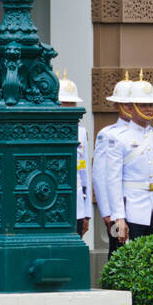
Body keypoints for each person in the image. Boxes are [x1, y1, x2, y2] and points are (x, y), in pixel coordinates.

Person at [108, 74, 153, 245]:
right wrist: (118, 217)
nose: (149, 108)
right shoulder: (119, 138)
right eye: (143, 105)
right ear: (132, 107)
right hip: (131, 209)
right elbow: (113, 181)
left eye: (151, 104)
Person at [94, 75, 136, 255]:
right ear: (117, 106)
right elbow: (100, 176)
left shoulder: (148, 134)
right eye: (127, 104)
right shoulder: (108, 134)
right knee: (119, 253)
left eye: (134, 104)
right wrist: (107, 213)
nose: (131, 108)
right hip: (116, 208)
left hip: (139, 207)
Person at [56, 72, 91, 239]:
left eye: (72, 103)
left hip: (77, 204)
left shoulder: (81, 132)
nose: (69, 107)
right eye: (64, 103)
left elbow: (84, 174)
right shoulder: (47, 130)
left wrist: (87, 213)